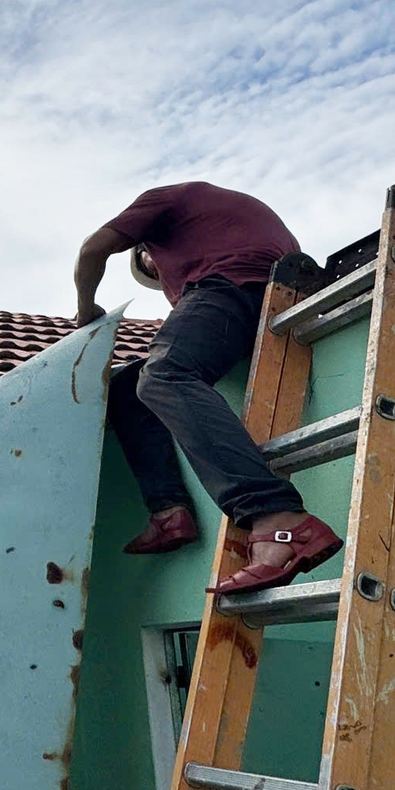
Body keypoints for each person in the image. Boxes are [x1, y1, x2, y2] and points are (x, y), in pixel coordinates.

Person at [73, 181, 343, 594]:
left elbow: (92, 251)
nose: (159, 274)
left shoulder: (162, 204)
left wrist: (85, 309)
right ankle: (169, 512)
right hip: (271, 295)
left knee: (164, 375)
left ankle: (276, 517)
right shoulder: (225, 216)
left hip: (233, 289)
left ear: (145, 247)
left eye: (153, 267)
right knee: (130, 388)